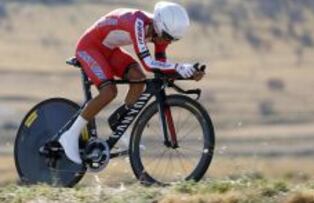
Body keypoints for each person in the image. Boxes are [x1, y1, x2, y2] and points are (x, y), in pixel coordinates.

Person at [58, 1, 205, 164]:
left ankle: (119, 123)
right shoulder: (138, 23)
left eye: (172, 40)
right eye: (166, 37)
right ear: (158, 25)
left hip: (109, 49)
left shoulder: (162, 31)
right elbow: (149, 64)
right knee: (109, 92)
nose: (167, 41)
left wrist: (188, 72)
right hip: (90, 47)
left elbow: (160, 64)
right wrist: (178, 67)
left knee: (138, 79)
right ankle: (70, 135)